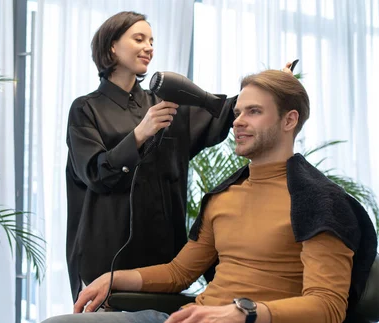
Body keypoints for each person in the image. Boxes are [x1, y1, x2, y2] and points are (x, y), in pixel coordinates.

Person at [33, 69, 378, 323]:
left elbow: (327, 309)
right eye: (239, 111)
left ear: (289, 120)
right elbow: (179, 272)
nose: (238, 121)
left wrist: (244, 312)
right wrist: (113, 279)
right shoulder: (225, 196)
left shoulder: (320, 202)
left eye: (254, 112)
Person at [65, 11, 292, 301]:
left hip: (164, 260)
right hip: (106, 257)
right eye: (139, 39)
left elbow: (220, 113)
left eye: (151, 40)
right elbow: (96, 173)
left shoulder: (167, 104)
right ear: (111, 46)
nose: (149, 47)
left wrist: (272, 90)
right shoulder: (86, 109)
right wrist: (140, 134)